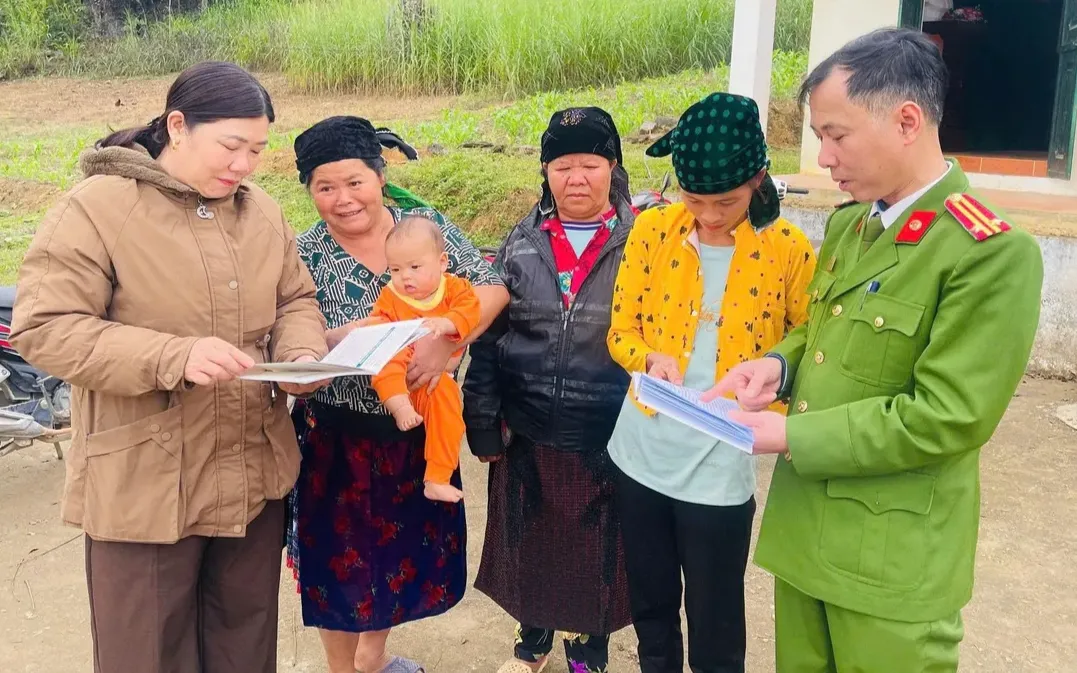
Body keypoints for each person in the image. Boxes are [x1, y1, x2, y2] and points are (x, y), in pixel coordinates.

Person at [703, 28, 1044, 672]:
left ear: (907, 121)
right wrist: (777, 365)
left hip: (891, 559)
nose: (824, 157)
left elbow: (947, 416)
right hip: (807, 538)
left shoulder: (989, 253)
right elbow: (823, 331)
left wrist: (789, 435)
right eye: (819, 136)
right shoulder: (851, 224)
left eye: (836, 135)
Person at [9, 61, 329, 673]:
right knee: (147, 652)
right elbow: (45, 327)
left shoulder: (261, 212)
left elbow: (295, 299)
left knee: (245, 644)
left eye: (257, 150)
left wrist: (300, 354)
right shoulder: (98, 208)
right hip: (145, 483)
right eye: (231, 146)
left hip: (250, 472)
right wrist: (172, 355)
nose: (244, 165)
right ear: (178, 127)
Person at [288, 115, 507, 673]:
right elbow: (290, 335)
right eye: (325, 187)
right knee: (338, 571)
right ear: (309, 190)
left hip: (415, 435)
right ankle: (345, 669)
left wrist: (447, 344)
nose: (344, 199)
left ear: (380, 177)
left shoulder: (423, 230)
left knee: (396, 559)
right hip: (338, 439)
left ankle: (373, 656)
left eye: (354, 181)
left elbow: (490, 288)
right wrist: (343, 337)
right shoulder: (303, 253)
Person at [606, 92, 817, 673]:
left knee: (716, 618)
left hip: (722, 463)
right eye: (694, 199)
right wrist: (648, 358)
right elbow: (620, 330)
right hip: (641, 452)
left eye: (726, 201)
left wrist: (778, 389)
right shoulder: (653, 230)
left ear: (758, 179)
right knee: (651, 607)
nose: (710, 214)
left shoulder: (787, 250)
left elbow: (809, 337)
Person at [462, 106, 634, 673]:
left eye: (590, 164)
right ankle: (531, 643)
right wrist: (481, 420)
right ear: (545, 171)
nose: (576, 178)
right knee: (529, 544)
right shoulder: (521, 242)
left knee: (597, 554)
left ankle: (587, 655)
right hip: (528, 430)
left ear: (613, 166)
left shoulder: (642, 242)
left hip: (606, 433)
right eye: (562, 166)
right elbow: (489, 339)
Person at [369, 215, 482, 503]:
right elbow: (378, 324)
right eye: (395, 269)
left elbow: (471, 309)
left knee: (448, 407)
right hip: (399, 379)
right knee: (388, 353)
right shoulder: (390, 296)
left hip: (432, 381)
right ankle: (399, 407)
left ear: (442, 262)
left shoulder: (454, 288)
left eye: (415, 267)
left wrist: (448, 323)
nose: (405, 277)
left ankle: (437, 477)